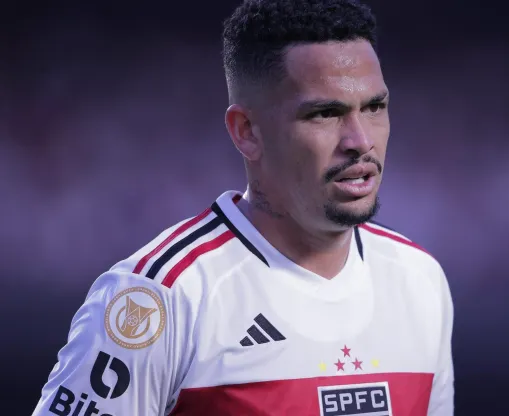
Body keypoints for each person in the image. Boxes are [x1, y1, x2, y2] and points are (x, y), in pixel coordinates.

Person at [32, 0, 454, 414]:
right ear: (246, 132)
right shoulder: (160, 298)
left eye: (375, 107)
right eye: (326, 113)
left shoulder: (420, 281)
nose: (361, 141)